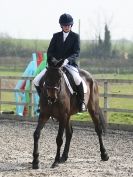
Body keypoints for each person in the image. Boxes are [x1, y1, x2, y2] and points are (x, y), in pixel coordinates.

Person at [33, 13, 86, 112]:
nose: (67, 27)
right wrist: (53, 61)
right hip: (55, 66)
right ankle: (42, 102)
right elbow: (50, 51)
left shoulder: (75, 37)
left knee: (77, 79)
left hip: (69, 64)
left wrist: (67, 60)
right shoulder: (56, 36)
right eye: (65, 25)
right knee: (36, 80)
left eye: (69, 25)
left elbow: (76, 53)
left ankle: (82, 102)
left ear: (71, 25)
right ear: (61, 26)